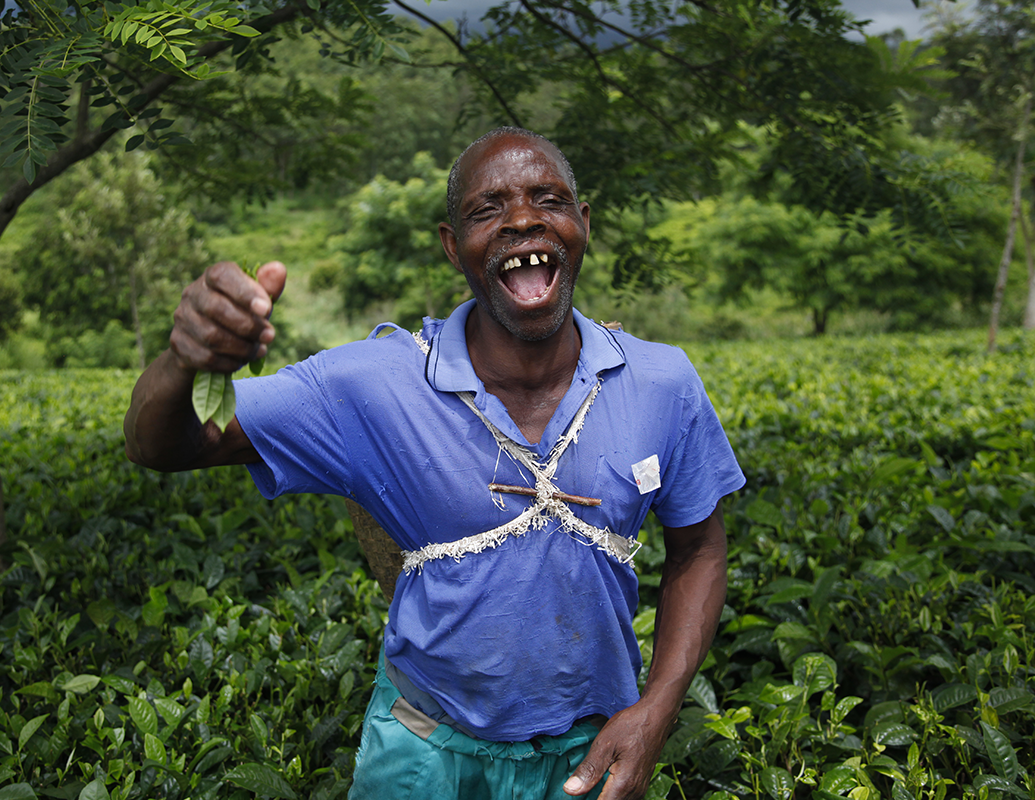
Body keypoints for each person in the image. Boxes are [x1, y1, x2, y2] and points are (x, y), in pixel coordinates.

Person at [124, 127, 745, 800]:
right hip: (422, 757)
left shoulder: (662, 382)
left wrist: (655, 712)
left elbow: (699, 550)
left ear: (582, 225)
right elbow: (166, 446)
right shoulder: (372, 383)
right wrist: (184, 361)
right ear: (454, 247)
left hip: (594, 756)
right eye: (487, 210)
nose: (523, 219)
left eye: (548, 199)